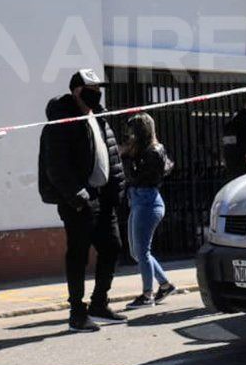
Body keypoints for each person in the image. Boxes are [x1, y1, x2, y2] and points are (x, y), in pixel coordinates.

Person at [37, 69, 127, 332]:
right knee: (78, 254)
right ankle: (77, 311)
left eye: (99, 88)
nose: (97, 92)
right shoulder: (61, 121)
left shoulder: (98, 116)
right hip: (79, 200)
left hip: (103, 197)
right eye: (92, 88)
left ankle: (100, 302)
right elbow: (56, 166)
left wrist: (116, 188)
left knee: (112, 246)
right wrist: (78, 196)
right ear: (77, 90)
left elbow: (111, 153)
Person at [121, 113, 177, 308]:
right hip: (140, 201)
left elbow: (137, 178)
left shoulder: (153, 151)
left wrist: (127, 158)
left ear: (140, 131)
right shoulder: (147, 150)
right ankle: (165, 284)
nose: (129, 135)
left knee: (142, 251)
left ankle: (147, 295)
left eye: (132, 131)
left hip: (147, 202)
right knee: (137, 252)